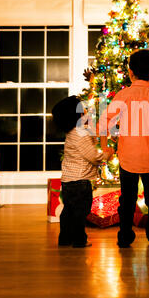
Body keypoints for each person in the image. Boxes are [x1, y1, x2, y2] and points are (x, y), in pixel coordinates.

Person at [98, 49, 149, 248]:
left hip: (128, 156)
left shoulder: (123, 95)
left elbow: (104, 122)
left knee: (127, 198)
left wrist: (106, 146)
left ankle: (125, 236)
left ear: (131, 72)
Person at [52, 95, 113, 248]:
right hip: (80, 182)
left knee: (69, 211)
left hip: (68, 180)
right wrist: (107, 154)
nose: (86, 112)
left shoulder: (73, 131)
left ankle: (65, 239)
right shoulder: (81, 133)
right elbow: (93, 156)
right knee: (80, 213)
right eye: (83, 109)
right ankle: (79, 240)